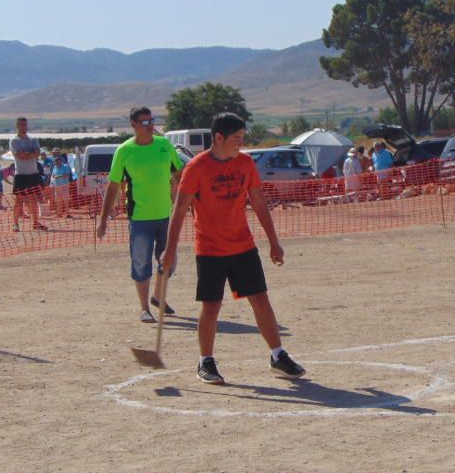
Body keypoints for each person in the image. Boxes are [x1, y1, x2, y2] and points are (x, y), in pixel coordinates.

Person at [161, 112, 306, 385]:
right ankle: (206, 361)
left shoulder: (246, 163)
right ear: (219, 138)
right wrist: (170, 250)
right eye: (236, 139)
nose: (241, 143)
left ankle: (277, 355)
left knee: (260, 300)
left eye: (242, 138)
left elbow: (259, 204)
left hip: (243, 245)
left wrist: (274, 242)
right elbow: (179, 211)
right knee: (211, 306)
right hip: (210, 249)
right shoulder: (196, 168)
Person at [97, 107, 184, 323]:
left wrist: (188, 202)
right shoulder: (125, 151)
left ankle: (157, 295)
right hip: (139, 218)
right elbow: (113, 185)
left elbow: (179, 176)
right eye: (144, 122)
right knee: (141, 263)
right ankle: (145, 308)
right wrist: (103, 219)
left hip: (166, 215)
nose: (150, 126)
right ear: (133, 124)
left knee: (169, 261)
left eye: (151, 121)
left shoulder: (165, 146)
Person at [9, 117, 47, 231]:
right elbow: (19, 155)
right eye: (21, 124)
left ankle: (35, 223)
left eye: (25, 124)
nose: (23, 126)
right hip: (20, 174)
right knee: (18, 200)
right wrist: (30, 154)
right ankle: (15, 224)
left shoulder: (33, 139)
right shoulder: (14, 141)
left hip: (33, 173)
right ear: (17, 126)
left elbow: (37, 153)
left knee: (33, 199)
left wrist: (27, 154)